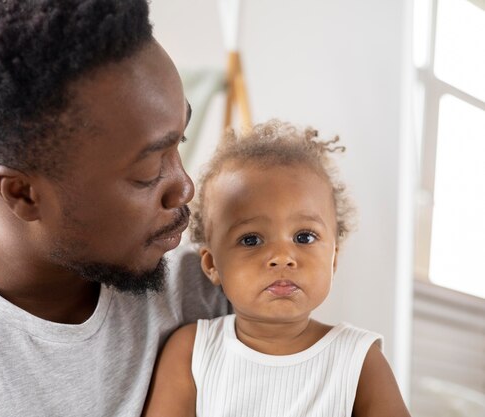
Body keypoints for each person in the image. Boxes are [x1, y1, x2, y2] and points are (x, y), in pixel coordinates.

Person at [0, 1, 229, 416]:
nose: (184, 187)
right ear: (22, 193)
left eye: (179, 141)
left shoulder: (215, 293)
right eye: (147, 170)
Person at [143, 120, 411, 417]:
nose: (282, 257)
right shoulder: (192, 352)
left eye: (304, 237)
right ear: (212, 265)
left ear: (333, 258)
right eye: (251, 239)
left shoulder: (360, 360)